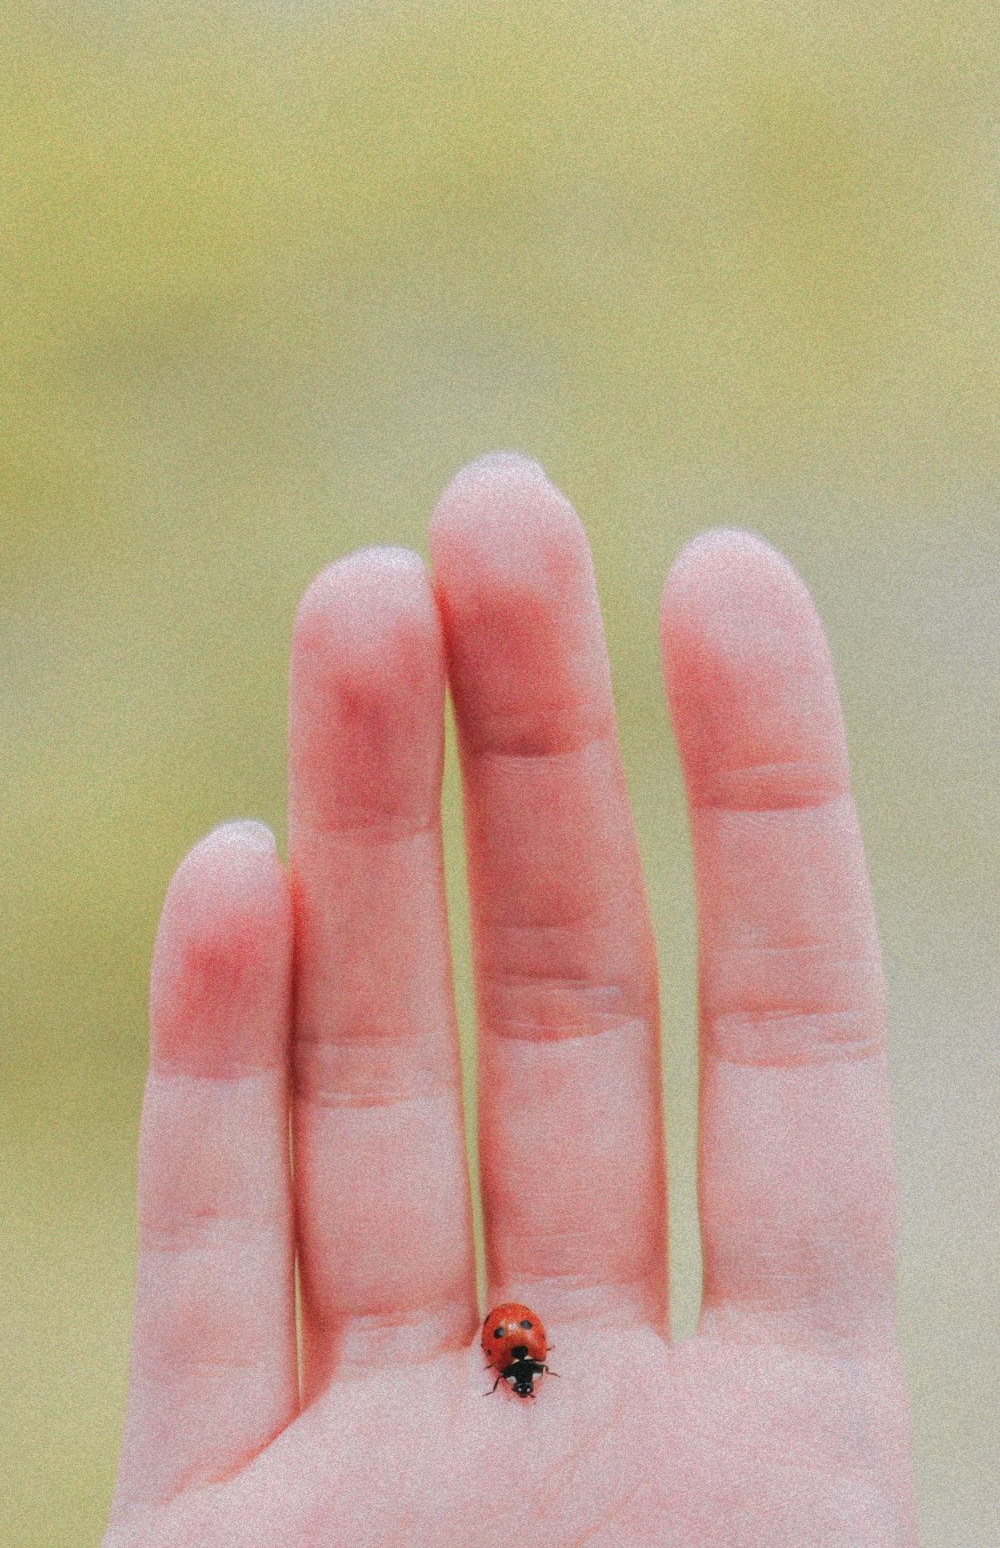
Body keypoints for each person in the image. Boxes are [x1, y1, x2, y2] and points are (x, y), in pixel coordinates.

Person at [103, 452, 918, 1546]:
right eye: (519, 1358)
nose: (519, 1358)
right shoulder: (525, 1343)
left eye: (515, 1357)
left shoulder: (520, 1346)